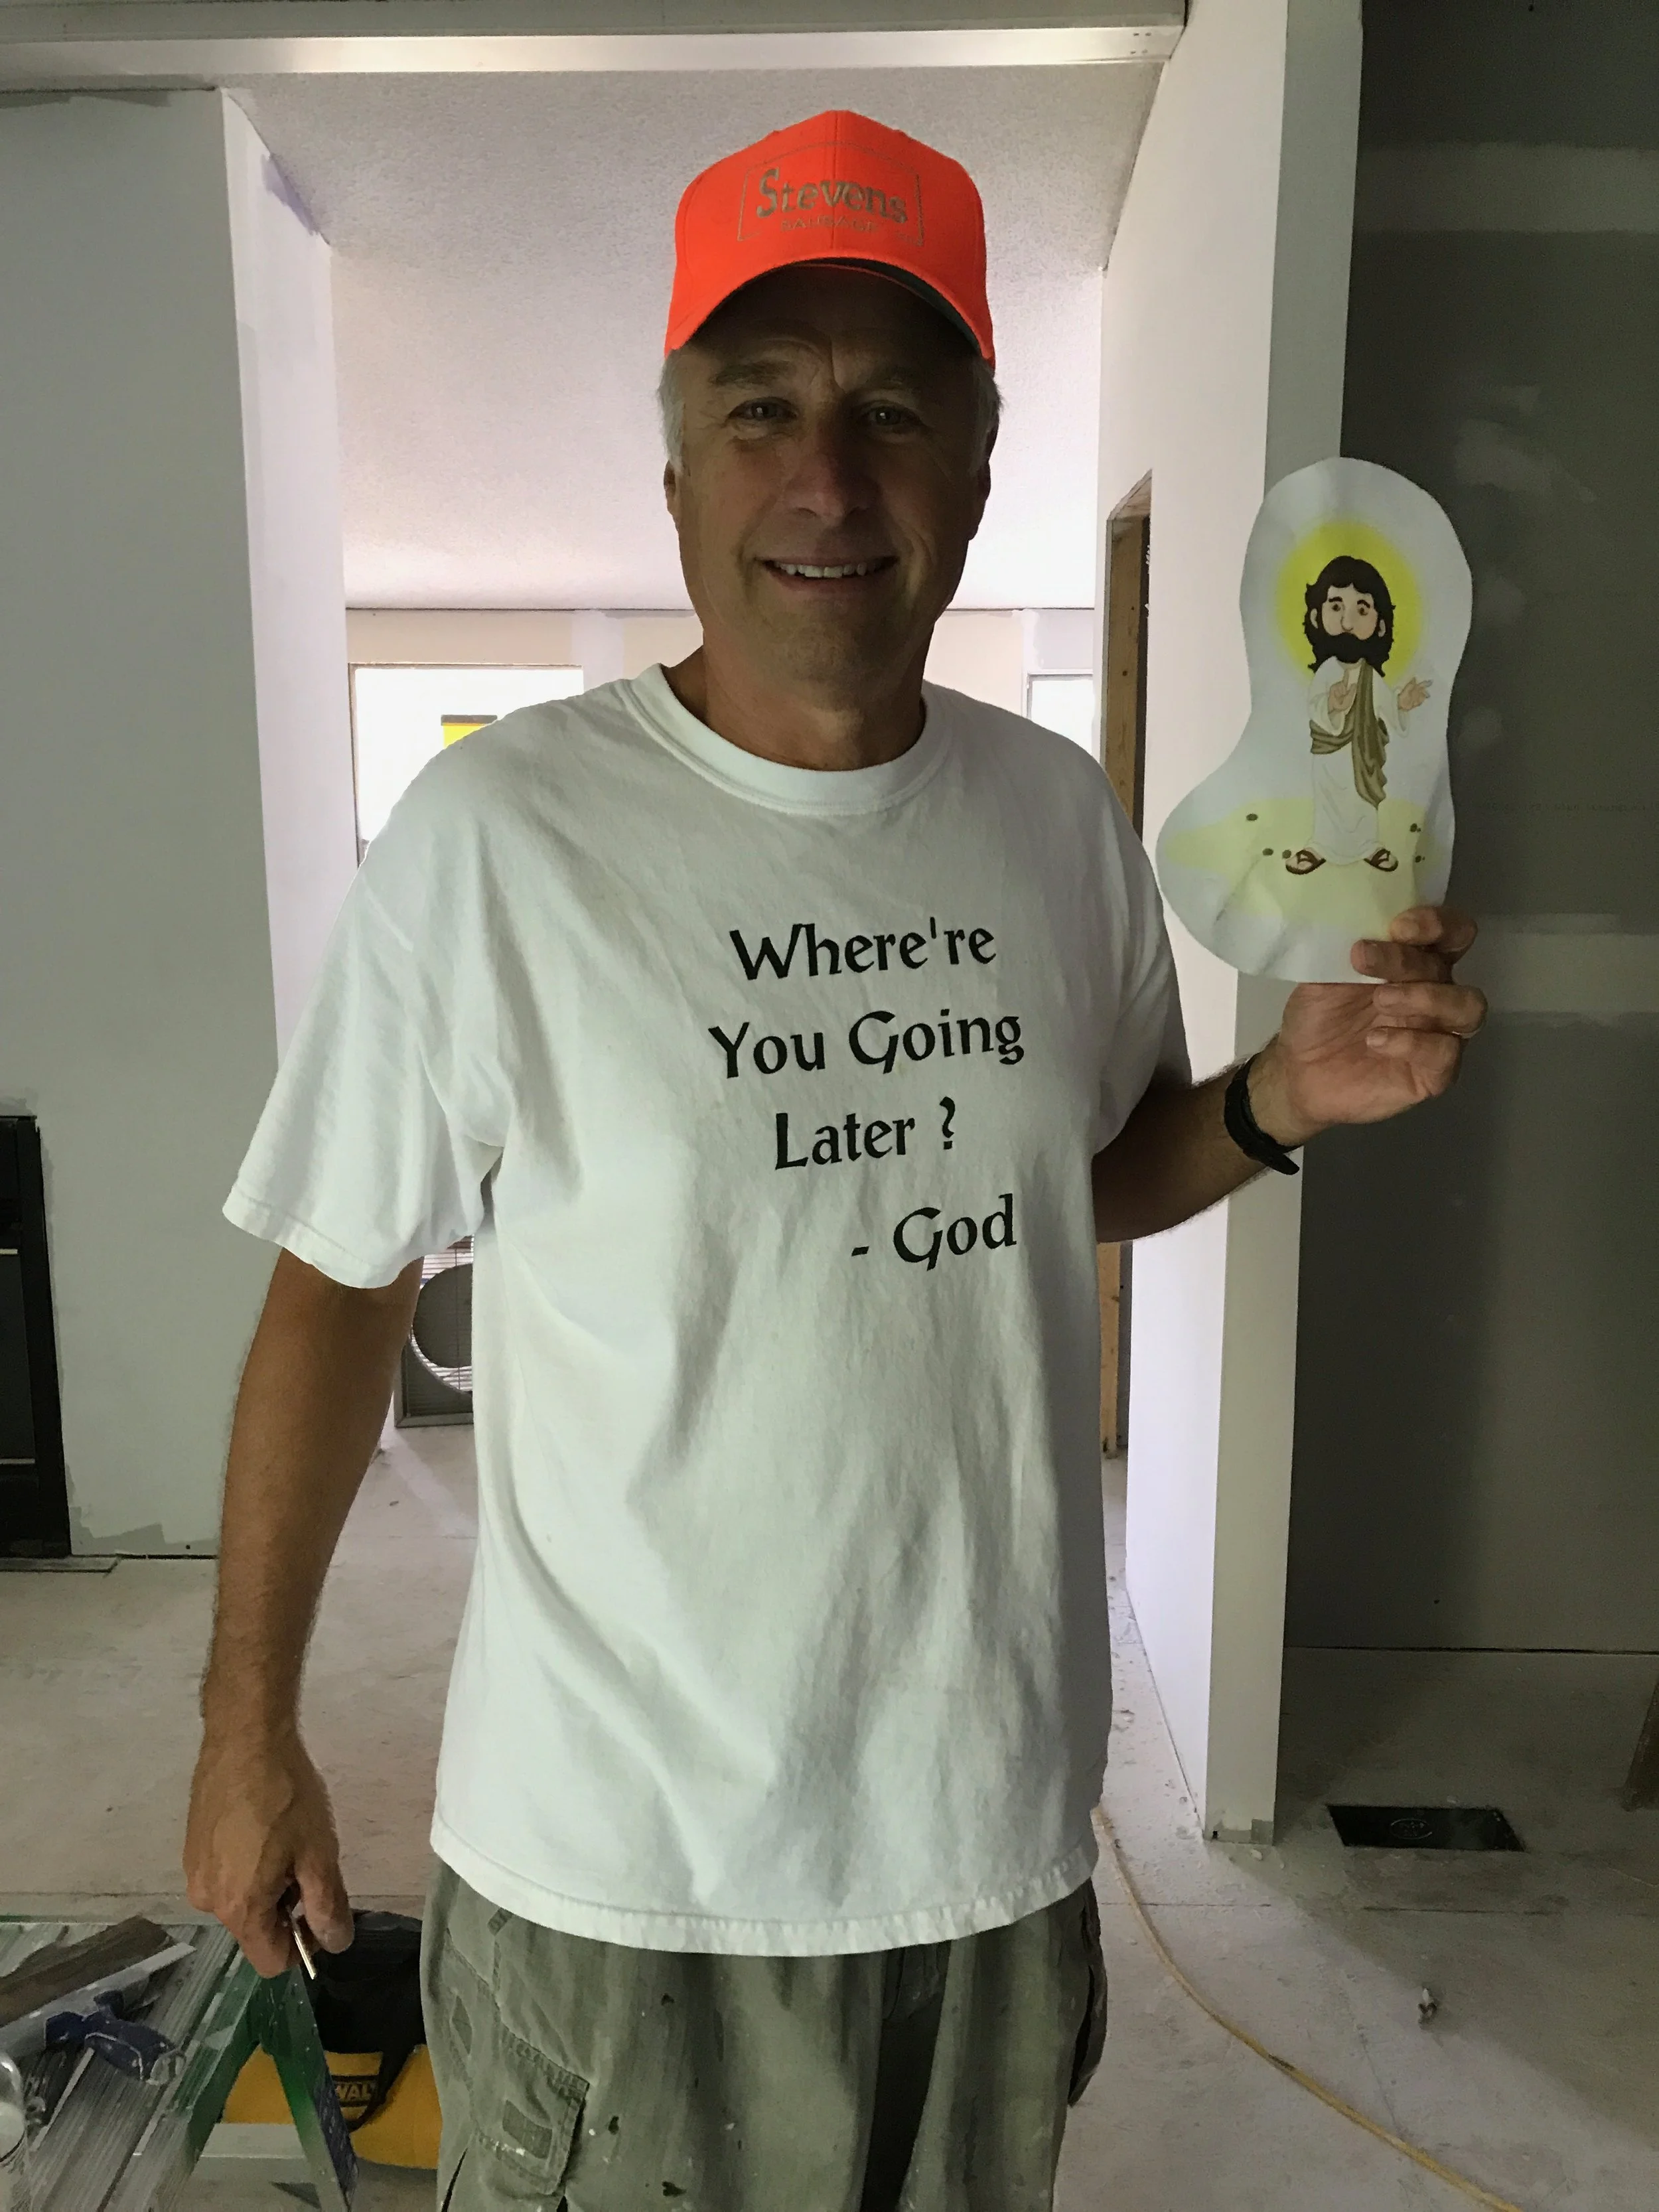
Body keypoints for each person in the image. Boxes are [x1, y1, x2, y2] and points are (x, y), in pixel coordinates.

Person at [184, 110, 1485, 2210]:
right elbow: (336, 1284)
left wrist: (1270, 1100)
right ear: (674, 469)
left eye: (890, 408)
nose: (825, 476)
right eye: (758, 406)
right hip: (627, 1884)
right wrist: (247, 1724)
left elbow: (1061, 1184)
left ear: (974, 461)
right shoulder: (502, 840)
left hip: (984, 1850)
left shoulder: (1053, 822)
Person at [1286, 554, 1431, 877]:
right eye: (1336, 607)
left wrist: (1403, 704)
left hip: (1362, 756)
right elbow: (1315, 708)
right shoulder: (1327, 672)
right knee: (1329, 802)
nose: (1347, 622)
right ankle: (1320, 846)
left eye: (1362, 610)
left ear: (1379, 625)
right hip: (1329, 757)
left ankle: (1368, 845)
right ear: (1317, 616)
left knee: (1362, 803)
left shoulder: (1370, 677)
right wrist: (1333, 705)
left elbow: (1387, 710)